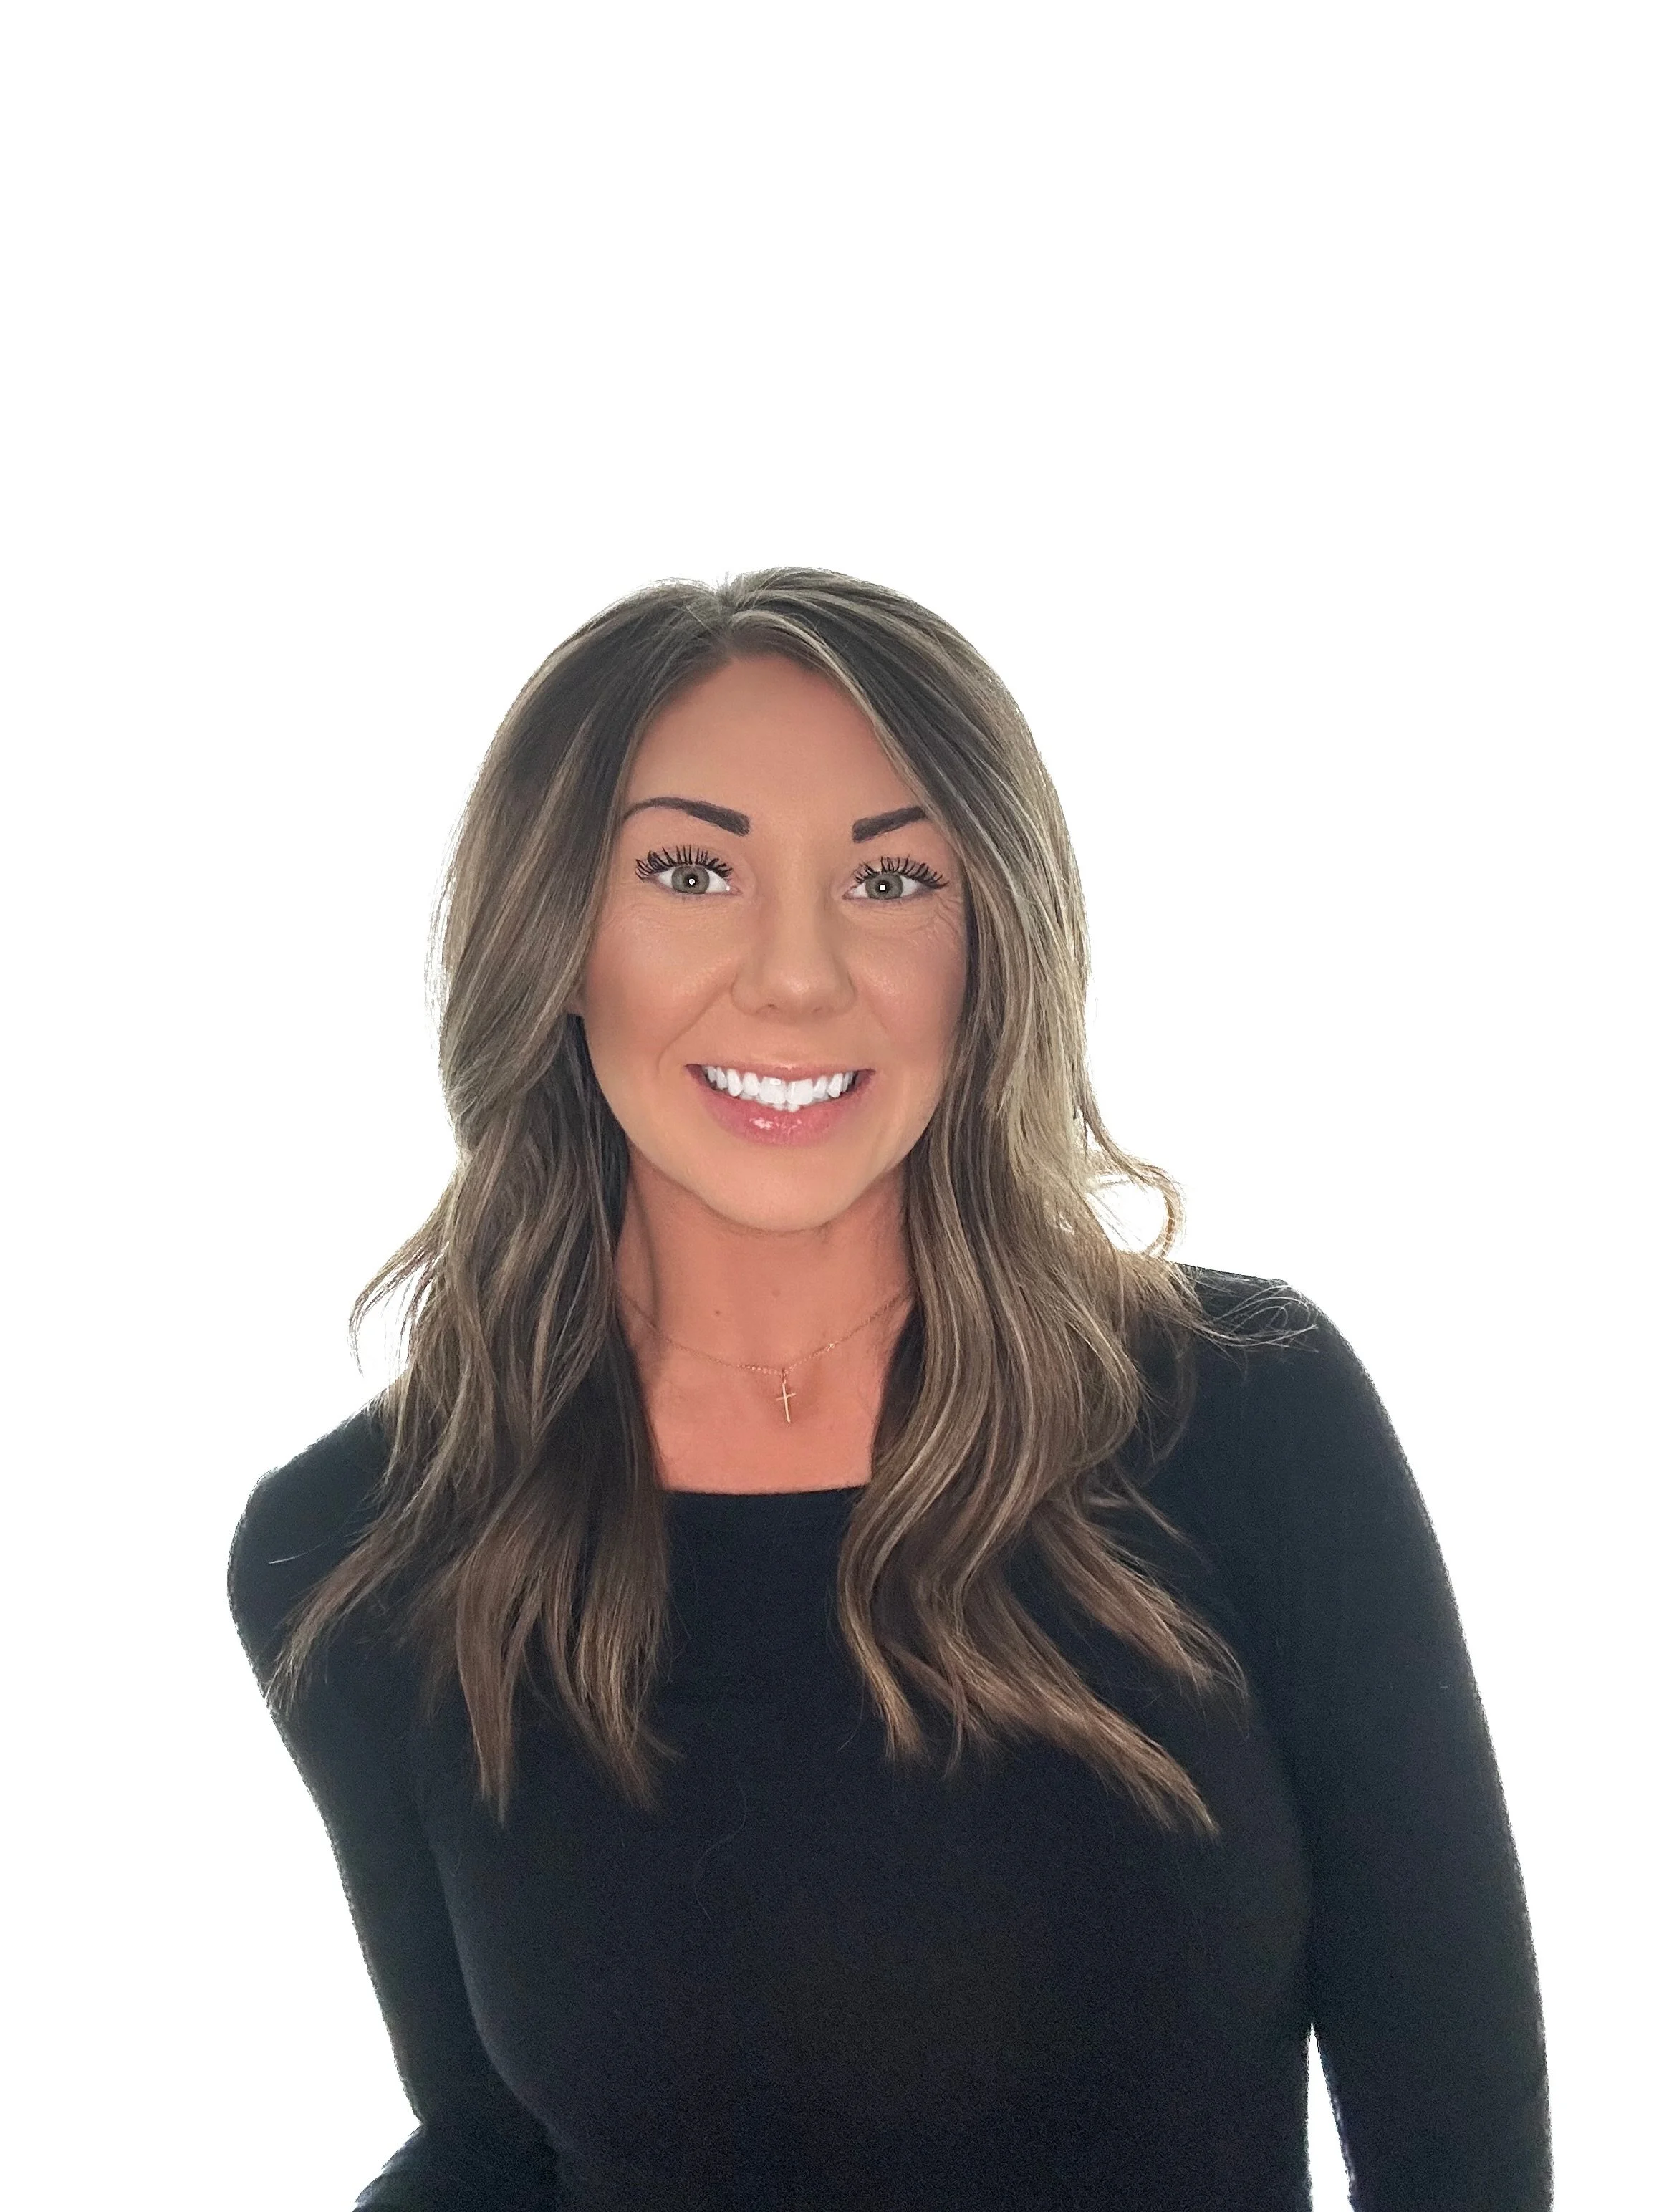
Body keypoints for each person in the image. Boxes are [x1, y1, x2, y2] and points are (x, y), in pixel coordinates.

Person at [228, 568, 1550, 2211]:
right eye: (691, 869)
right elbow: (497, 2145)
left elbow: (1462, 2150)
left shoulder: (1243, 1420)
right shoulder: (351, 1548)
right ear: (555, 938)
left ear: (989, 941)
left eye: (892, 875)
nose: (795, 976)